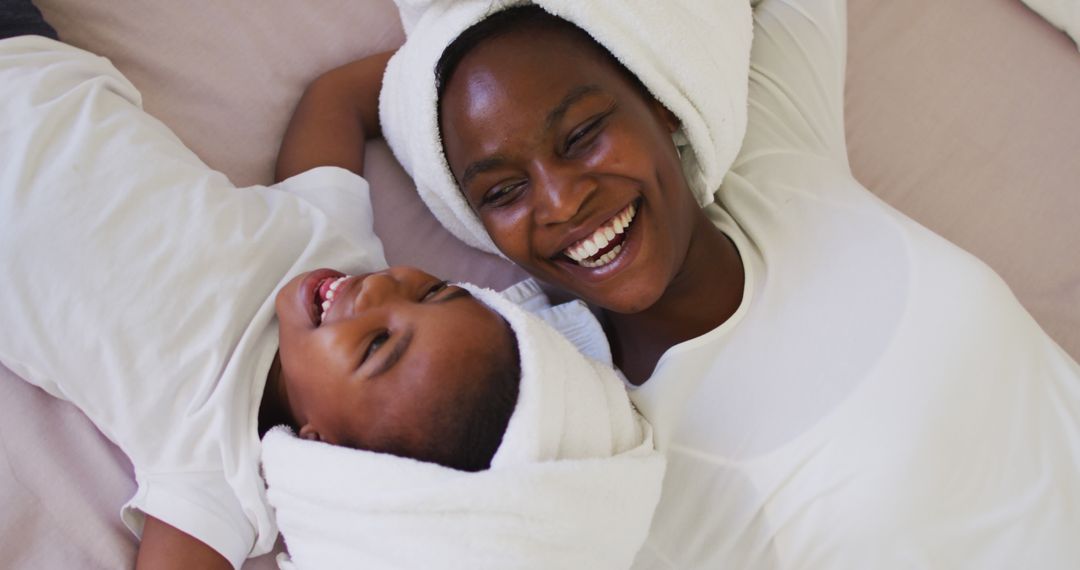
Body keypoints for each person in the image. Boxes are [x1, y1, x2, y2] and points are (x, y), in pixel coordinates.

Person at [333, 0, 1078, 566]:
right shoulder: (593, 439)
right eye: (501, 191)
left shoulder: (778, 161)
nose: (561, 203)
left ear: (661, 104)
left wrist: (464, 31)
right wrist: (408, 80)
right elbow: (320, 310)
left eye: (583, 133)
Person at [0, 3, 523, 568]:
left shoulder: (223, 478)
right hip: (26, 61)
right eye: (431, 292)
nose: (376, 293)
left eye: (376, 346)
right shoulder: (334, 245)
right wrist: (472, 58)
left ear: (321, 443)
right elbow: (336, 100)